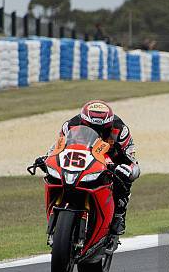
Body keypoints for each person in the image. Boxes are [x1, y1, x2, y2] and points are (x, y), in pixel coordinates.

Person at [34, 100, 140, 235]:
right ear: (83, 122)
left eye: (103, 129)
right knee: (52, 175)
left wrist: (128, 169)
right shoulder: (70, 125)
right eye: (91, 127)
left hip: (110, 161)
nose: (97, 131)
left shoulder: (120, 130)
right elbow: (57, 148)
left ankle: (119, 216)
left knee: (125, 179)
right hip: (81, 159)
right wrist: (46, 158)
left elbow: (132, 160)